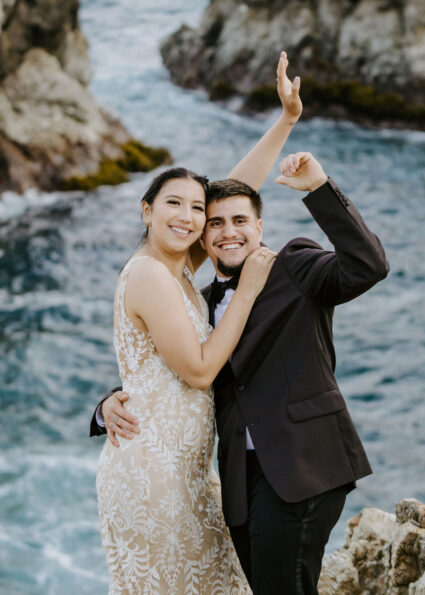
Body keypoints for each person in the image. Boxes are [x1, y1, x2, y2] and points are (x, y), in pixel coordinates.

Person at [94, 152, 389, 594]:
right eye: (215, 223)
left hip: (301, 465)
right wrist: (108, 404)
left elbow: (368, 265)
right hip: (236, 481)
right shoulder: (200, 297)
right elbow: (173, 366)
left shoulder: (295, 266)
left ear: (259, 228)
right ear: (203, 238)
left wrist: (318, 186)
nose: (228, 231)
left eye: (240, 221)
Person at [95, 54, 303, 594]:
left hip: (186, 471)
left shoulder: (178, 268)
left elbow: (238, 188)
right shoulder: (149, 275)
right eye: (174, 204)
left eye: (196, 209)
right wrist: (250, 287)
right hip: (153, 475)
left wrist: (285, 120)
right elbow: (200, 370)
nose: (188, 217)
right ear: (146, 210)